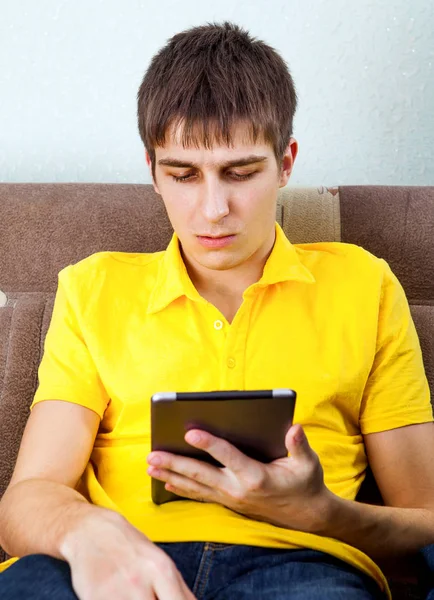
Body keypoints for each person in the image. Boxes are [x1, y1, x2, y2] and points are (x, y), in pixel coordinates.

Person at [0, 21, 433, 600]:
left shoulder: (363, 282)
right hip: (118, 562)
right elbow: (27, 499)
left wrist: (320, 512)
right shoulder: (93, 287)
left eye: (241, 172)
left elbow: (425, 515)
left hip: (302, 567)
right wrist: (86, 531)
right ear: (151, 169)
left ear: (286, 163)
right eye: (183, 174)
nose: (213, 209)